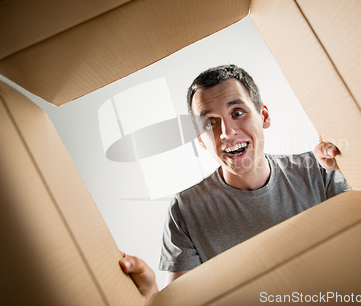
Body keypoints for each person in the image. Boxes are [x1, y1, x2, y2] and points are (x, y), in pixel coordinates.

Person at [120, 65, 348, 302]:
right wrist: (148, 294)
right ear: (200, 140)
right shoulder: (186, 210)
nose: (226, 133)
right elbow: (180, 302)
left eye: (237, 113)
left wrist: (352, 170)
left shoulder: (321, 171)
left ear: (264, 116)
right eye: (210, 123)